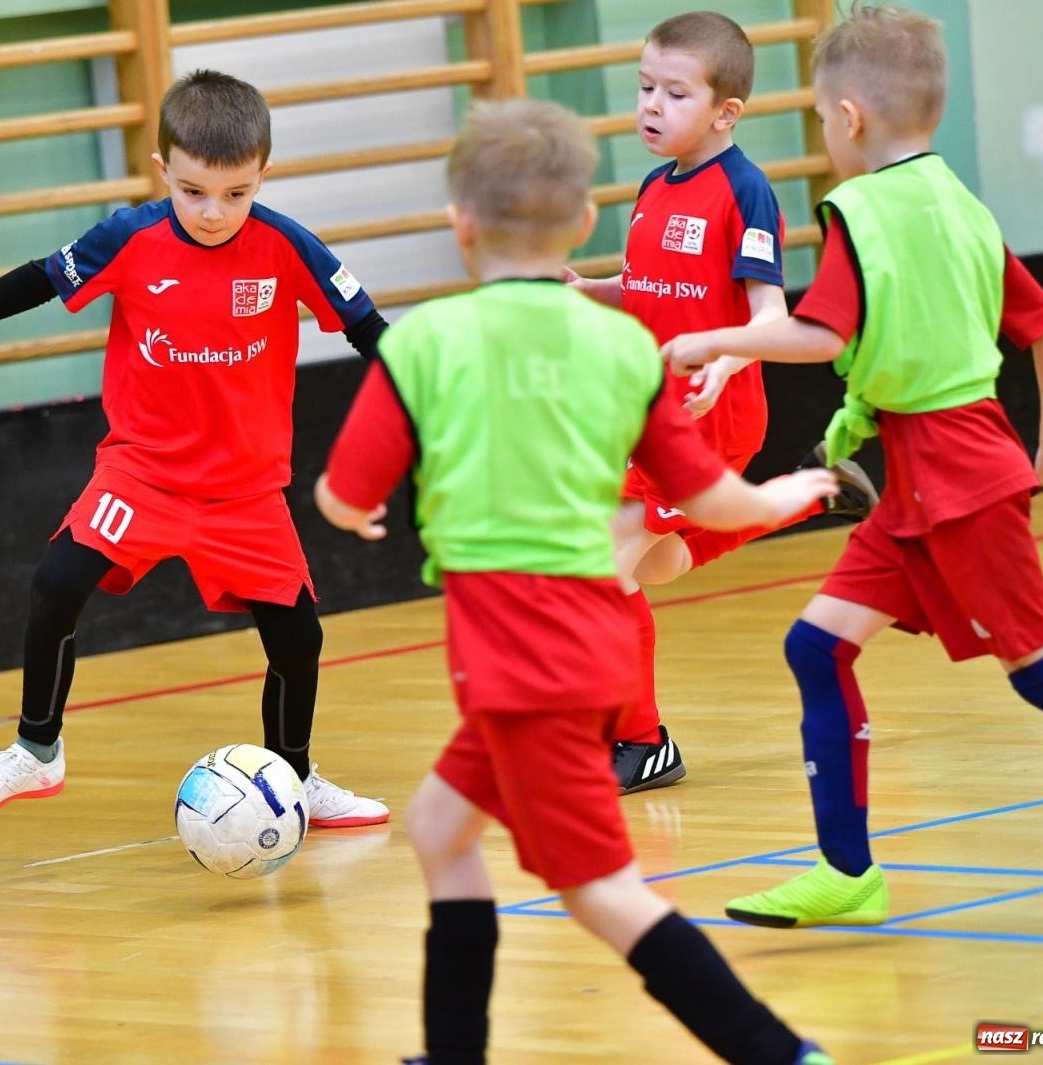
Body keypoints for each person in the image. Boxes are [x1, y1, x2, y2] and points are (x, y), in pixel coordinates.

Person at [316, 98, 835, 1065]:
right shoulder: (620, 348)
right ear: (587, 227)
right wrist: (790, 497)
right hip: (579, 648)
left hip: (524, 669)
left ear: (457, 223)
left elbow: (343, 493)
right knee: (438, 830)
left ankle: (781, 1055)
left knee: (603, 894)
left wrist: (356, 512)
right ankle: (453, 1052)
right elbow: (711, 498)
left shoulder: (424, 345)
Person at [663, 1, 1043, 928]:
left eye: (819, 119)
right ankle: (848, 873)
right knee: (816, 646)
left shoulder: (866, 213)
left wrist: (707, 341)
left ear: (846, 120)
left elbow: (817, 330)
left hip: (958, 477)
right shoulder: (958, 203)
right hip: (929, 473)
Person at [0, 69, 390, 828]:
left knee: (297, 637)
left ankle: (293, 779)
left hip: (247, 491)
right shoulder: (128, 237)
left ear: (263, 176)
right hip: (144, 474)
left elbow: (372, 336)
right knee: (59, 580)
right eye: (194, 191)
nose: (214, 212)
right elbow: (37, 279)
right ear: (163, 170)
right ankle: (36, 751)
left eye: (237, 194)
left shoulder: (288, 246)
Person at [570, 11, 879, 794]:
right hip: (643, 417)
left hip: (710, 418)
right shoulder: (649, 186)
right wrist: (587, 290)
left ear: (725, 111)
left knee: (601, 567)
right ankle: (810, 494)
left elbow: (769, 313)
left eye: (674, 93)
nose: (650, 106)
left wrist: (726, 356)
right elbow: (646, 291)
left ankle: (638, 742)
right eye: (644, 88)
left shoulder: (745, 190)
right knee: (661, 565)